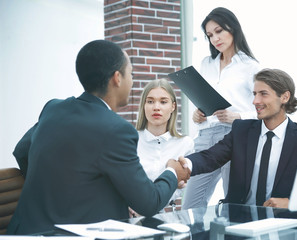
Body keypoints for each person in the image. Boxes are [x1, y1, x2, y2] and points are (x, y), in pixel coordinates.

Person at [7, 40, 189, 235]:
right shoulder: (117, 130)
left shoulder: (53, 108)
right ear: (117, 78)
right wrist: (172, 171)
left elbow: (21, 151)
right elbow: (149, 203)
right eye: (131, 74)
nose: (132, 80)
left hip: (23, 231)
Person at [180, 68, 297, 208]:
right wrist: (184, 164)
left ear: (285, 97)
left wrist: (290, 203)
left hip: (284, 224)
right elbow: (210, 157)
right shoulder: (242, 130)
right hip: (240, 220)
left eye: (263, 94)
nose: (255, 101)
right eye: (254, 94)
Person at [182, 7, 261, 209]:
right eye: (209, 35)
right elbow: (202, 100)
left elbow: (263, 110)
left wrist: (238, 116)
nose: (214, 38)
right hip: (205, 137)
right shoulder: (206, 63)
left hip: (234, 137)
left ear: (232, 28)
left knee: (234, 205)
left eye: (218, 31)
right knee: (190, 207)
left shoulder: (251, 67)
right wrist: (198, 114)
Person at [135, 78, 194, 212]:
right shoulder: (131, 140)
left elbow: (180, 187)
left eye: (163, 102)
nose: (156, 107)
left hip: (164, 217)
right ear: (144, 106)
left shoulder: (185, 144)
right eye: (150, 101)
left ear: (173, 106)